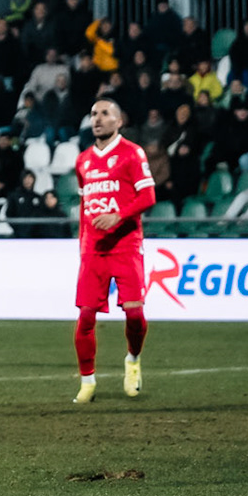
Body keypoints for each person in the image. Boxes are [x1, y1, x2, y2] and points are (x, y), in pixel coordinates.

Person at [72, 98, 156, 403]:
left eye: (104, 114)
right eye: (93, 113)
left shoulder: (132, 153)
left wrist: (118, 215)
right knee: (85, 317)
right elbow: (84, 206)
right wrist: (83, 243)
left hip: (126, 245)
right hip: (93, 250)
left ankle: (132, 360)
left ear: (118, 121)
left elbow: (148, 196)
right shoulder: (83, 160)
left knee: (135, 315)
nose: (97, 119)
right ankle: (87, 382)